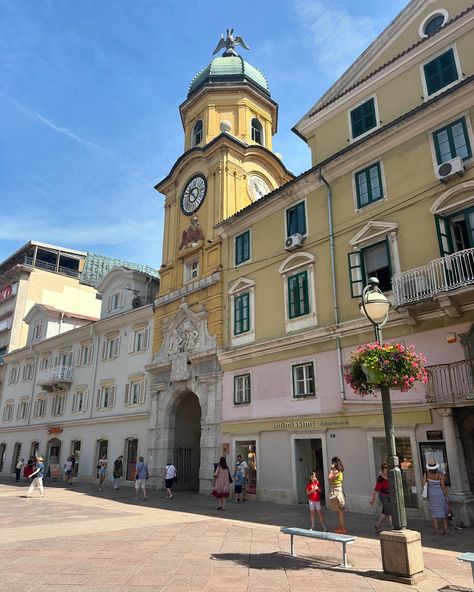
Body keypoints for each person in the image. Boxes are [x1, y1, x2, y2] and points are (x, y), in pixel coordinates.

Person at [423, 461, 449, 535]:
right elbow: (443, 486)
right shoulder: (440, 474)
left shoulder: (426, 474)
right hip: (440, 494)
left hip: (431, 494)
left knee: (434, 514)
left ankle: (436, 531)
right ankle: (446, 531)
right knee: (443, 513)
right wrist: (446, 496)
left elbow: (423, 483)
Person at [370, 463, 392, 532]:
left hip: (390, 495)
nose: (386, 472)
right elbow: (376, 489)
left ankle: (377, 526)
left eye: (387, 470)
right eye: (385, 470)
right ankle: (394, 527)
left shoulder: (391, 476)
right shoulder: (380, 478)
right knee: (390, 512)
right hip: (383, 496)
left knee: (385, 513)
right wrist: (373, 499)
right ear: (382, 470)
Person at [328, 456, 346, 533]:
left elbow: (329, 477)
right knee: (339, 510)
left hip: (336, 492)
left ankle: (342, 528)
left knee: (339, 511)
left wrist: (332, 470)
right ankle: (341, 526)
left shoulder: (336, 472)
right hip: (338, 491)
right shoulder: (340, 472)